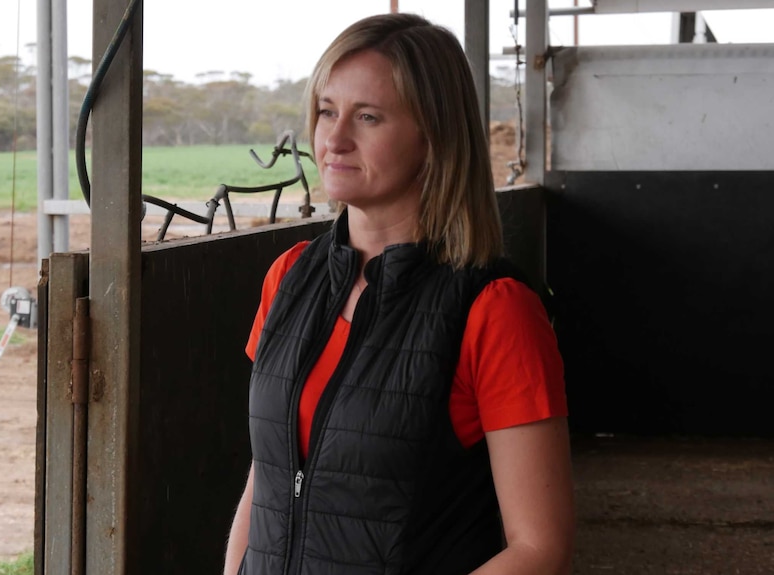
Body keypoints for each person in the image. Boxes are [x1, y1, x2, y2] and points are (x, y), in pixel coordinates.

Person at [224, 12, 574, 575]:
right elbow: (267, 478)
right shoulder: (288, 277)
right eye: (326, 111)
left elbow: (540, 548)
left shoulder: (495, 308)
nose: (334, 139)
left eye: (368, 116)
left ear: (433, 137)